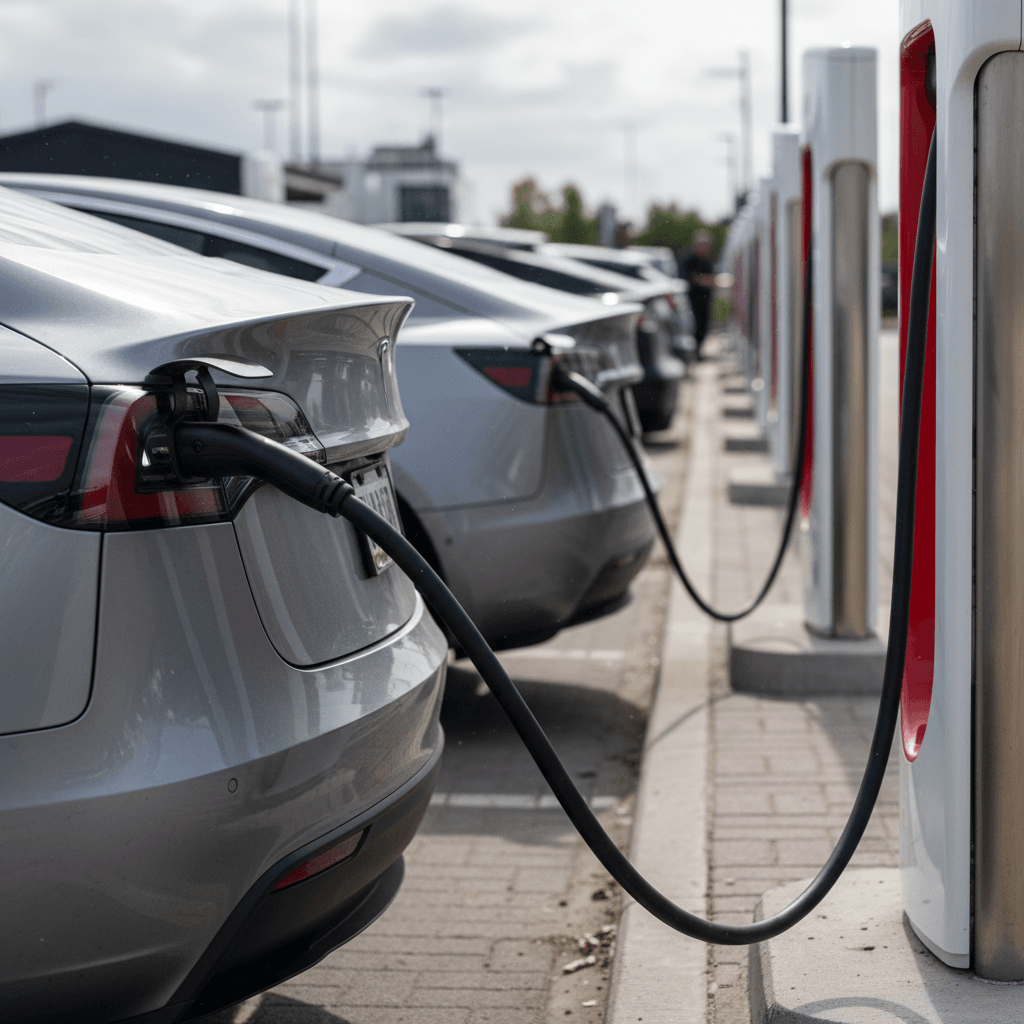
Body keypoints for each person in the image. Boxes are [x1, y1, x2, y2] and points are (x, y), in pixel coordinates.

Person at [681, 229, 717, 359]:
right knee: (694, 327)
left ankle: (698, 352)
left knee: (703, 326)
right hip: (692, 299)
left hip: (705, 299)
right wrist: (701, 280)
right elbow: (687, 278)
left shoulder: (707, 260)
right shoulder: (689, 260)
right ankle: (693, 354)